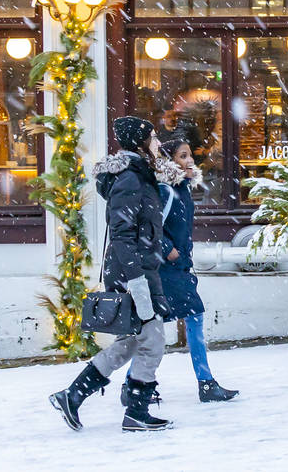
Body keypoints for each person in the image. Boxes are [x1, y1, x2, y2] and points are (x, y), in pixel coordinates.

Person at [49, 116, 173, 433]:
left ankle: (73, 395)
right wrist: (138, 284)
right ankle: (135, 412)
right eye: (154, 137)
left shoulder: (139, 176)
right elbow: (121, 236)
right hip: (132, 273)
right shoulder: (131, 180)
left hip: (137, 269)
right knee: (152, 341)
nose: (159, 143)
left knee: (134, 341)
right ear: (139, 143)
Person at [122, 138, 238, 404]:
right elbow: (149, 226)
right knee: (172, 323)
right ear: (169, 161)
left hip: (178, 267)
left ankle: (135, 386)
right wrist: (167, 248)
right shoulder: (165, 190)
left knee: (162, 326)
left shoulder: (181, 188)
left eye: (190, 156)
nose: (190, 161)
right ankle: (202, 383)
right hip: (166, 269)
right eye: (183, 156)